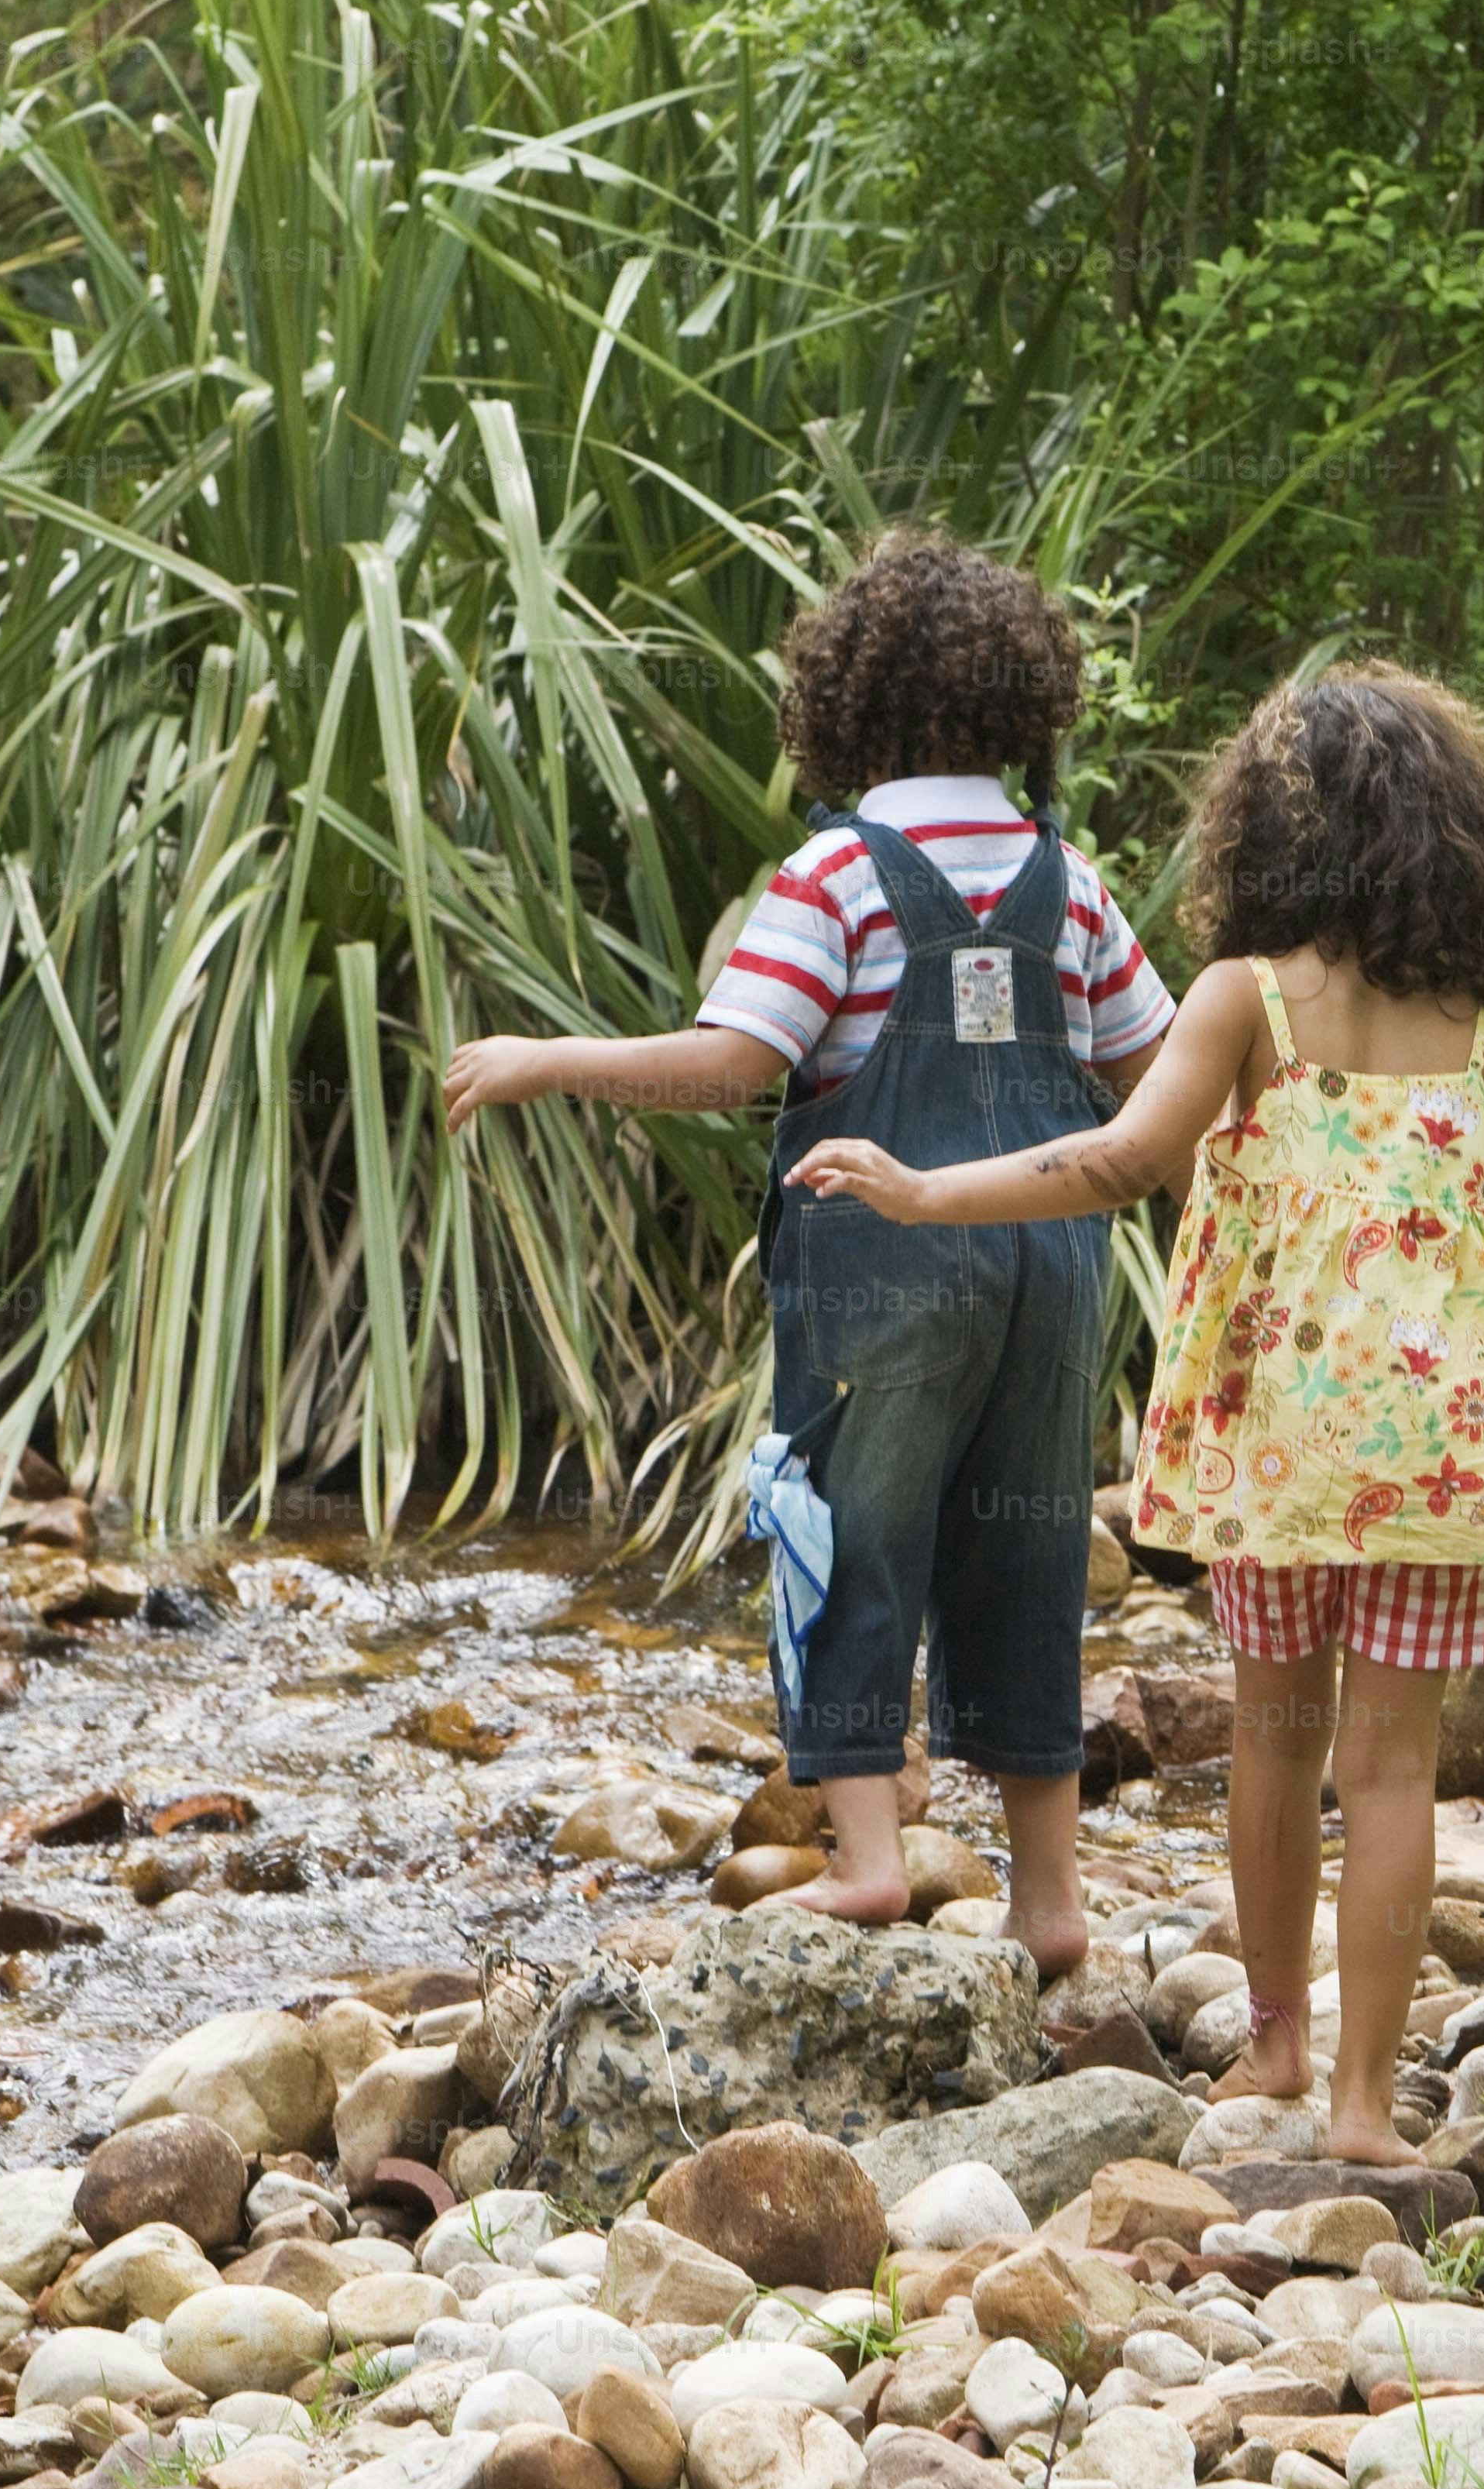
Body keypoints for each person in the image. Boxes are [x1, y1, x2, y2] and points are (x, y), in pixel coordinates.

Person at [788, 664, 1484, 2162]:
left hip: (1279, 1445)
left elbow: (1115, 1162)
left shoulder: (1245, 1000)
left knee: (1272, 1743)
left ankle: (1276, 2051)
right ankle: (1370, 2107)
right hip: (1436, 1450)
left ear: (1264, 832)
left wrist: (926, 1193)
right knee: (1386, 1772)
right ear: (1459, 840)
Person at [442, 532, 1174, 1975]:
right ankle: (1048, 1898)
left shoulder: (837, 870)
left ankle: (871, 1861)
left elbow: (732, 1064)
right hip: (1051, 1257)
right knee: (1028, 1542)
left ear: (841, 705)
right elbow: (1157, 1072)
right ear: (1026, 701)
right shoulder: (1065, 878)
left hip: (878, 1263)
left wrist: (550, 1056)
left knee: (845, 1528)